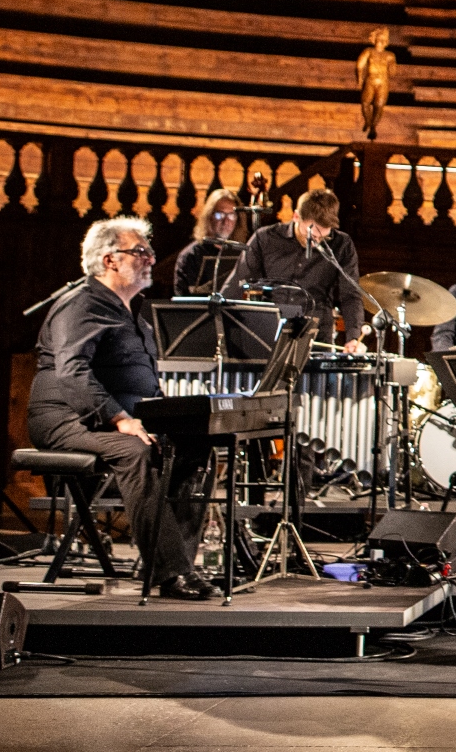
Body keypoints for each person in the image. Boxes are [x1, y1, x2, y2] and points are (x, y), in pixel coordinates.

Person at [27, 218, 213, 600]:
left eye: (150, 252)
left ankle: (174, 560)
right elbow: (72, 371)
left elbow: (142, 382)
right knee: (135, 451)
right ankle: (170, 571)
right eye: (140, 252)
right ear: (109, 260)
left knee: (197, 446)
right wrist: (119, 419)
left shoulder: (131, 310)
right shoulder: (82, 304)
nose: (150, 259)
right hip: (67, 418)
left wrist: (171, 417)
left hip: (117, 420)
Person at [225, 188, 368, 352]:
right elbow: (238, 281)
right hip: (269, 334)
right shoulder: (265, 238)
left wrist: (353, 337)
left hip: (316, 337)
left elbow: (350, 295)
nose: (316, 243)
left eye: (323, 238)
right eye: (312, 236)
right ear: (296, 217)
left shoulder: (342, 244)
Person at [172, 188, 242, 297]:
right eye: (220, 215)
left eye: (231, 215)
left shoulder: (240, 253)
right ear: (209, 217)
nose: (226, 221)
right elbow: (183, 298)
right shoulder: (191, 255)